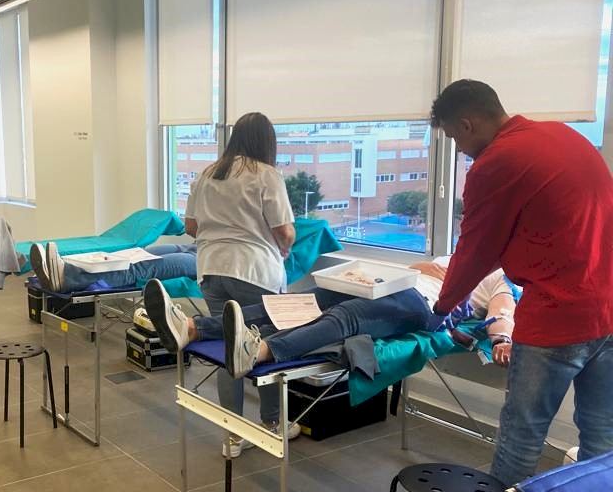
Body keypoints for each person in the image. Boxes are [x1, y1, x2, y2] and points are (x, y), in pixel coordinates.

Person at [429, 80, 613, 492]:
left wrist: (442, 307)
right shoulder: (564, 136)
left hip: (556, 319)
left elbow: (476, 247)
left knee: (521, 439)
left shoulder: (497, 162)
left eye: (455, 138)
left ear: (467, 124)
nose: (460, 150)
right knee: (602, 439)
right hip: (608, 311)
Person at [143, 257, 518, 385]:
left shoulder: (500, 275)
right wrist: (423, 266)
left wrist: (501, 339)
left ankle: (258, 351)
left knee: (346, 317)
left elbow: (502, 312)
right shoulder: (458, 255)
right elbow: (413, 269)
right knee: (303, 301)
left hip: (421, 306)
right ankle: (191, 328)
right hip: (385, 285)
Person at [184, 112, 297, 455]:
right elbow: (285, 231)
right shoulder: (266, 175)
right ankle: (272, 423)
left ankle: (232, 435)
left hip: (211, 269)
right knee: (264, 345)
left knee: (228, 346)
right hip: (254, 271)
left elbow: (191, 226)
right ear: (267, 142)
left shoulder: (208, 173)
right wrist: (285, 247)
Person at [29, 242, 196, 293]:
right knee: (135, 255)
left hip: (204, 260)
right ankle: (63, 270)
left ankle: (66, 278)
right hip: (197, 245)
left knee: (140, 267)